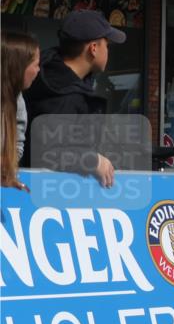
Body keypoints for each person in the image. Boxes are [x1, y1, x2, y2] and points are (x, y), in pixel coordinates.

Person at [23, 10, 123, 187]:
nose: (108, 50)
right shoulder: (64, 95)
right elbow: (49, 153)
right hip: (50, 197)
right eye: (106, 45)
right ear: (93, 48)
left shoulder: (51, 74)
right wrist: (93, 161)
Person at [2, 31, 40, 190]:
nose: (38, 70)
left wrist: (6, 169)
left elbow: (16, 146)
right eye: (36, 64)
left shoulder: (17, 101)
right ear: (19, 66)